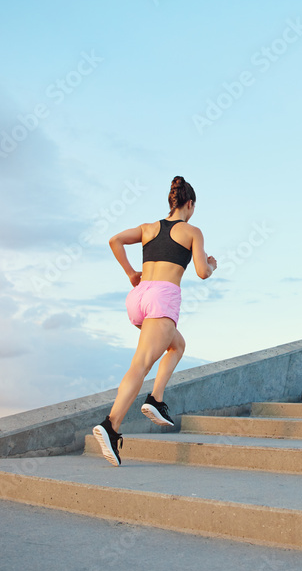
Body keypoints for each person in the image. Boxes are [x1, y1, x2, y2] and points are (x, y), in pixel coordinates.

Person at [92, 176, 216, 466]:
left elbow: (115, 240)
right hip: (162, 297)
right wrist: (212, 264)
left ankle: (155, 398)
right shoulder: (192, 231)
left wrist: (131, 273)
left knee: (177, 345)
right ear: (190, 204)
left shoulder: (149, 228)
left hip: (139, 297)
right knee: (141, 364)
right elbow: (201, 272)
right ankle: (111, 425)